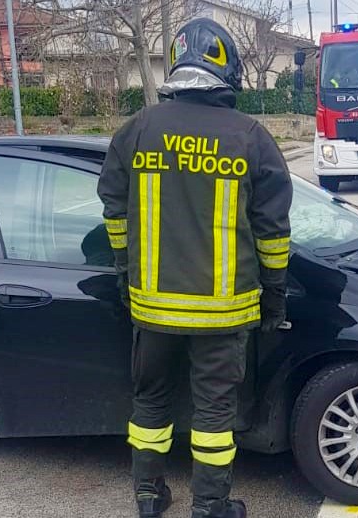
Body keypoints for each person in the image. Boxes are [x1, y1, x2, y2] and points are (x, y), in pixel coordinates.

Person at [97, 18, 293, 518]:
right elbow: (273, 236)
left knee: (149, 405)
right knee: (213, 415)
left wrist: (125, 275)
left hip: (152, 307)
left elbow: (114, 214)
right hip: (223, 315)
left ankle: (147, 497)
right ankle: (210, 506)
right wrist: (275, 297)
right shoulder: (251, 137)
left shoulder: (137, 129)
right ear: (227, 72)